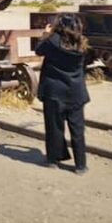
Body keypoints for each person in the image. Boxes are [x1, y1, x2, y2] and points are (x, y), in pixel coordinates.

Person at [35, 13, 89, 174]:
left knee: (54, 127)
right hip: (76, 92)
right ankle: (80, 165)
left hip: (54, 91)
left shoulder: (52, 41)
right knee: (77, 130)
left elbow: (39, 50)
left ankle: (53, 159)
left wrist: (45, 34)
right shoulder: (82, 43)